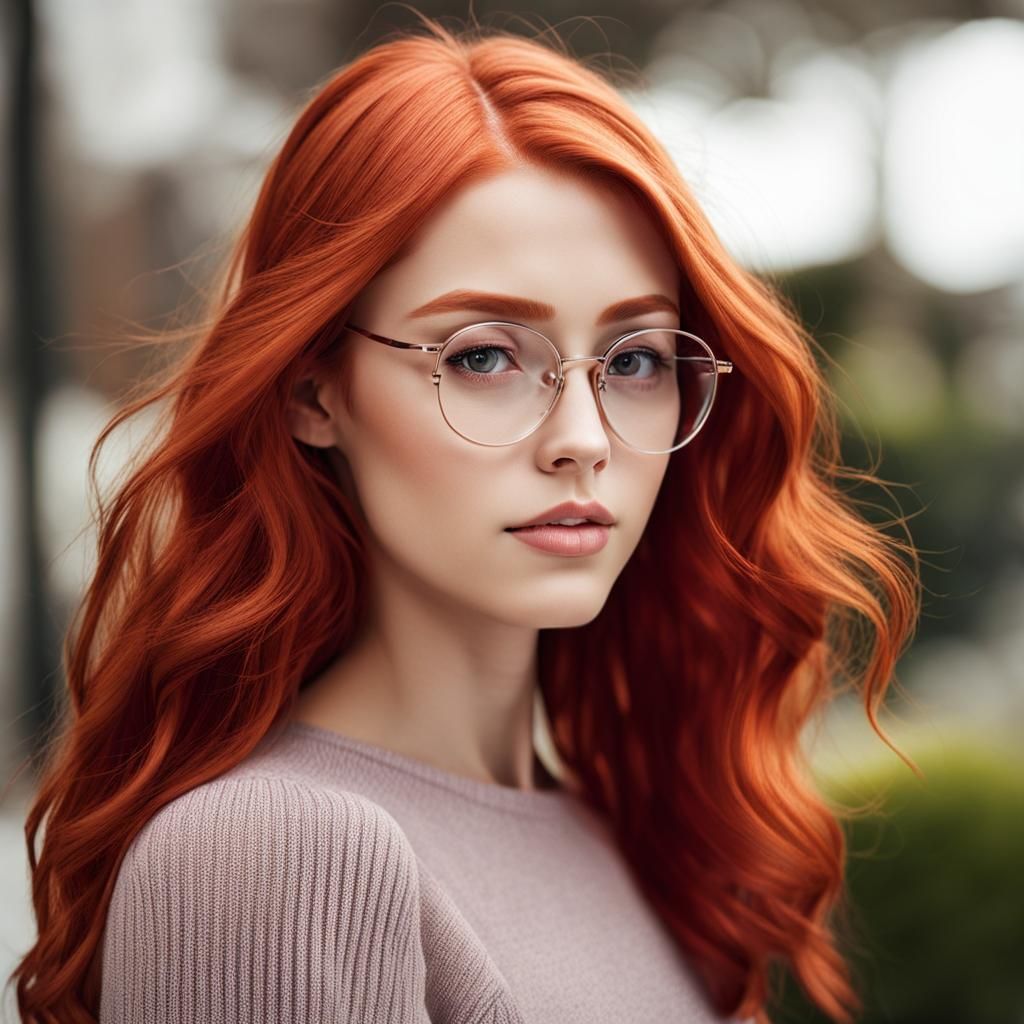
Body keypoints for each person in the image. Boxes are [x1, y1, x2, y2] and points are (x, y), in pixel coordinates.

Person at [9, 12, 922, 1024]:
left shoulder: (610, 832)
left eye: (633, 360)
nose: (581, 436)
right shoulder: (272, 852)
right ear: (313, 391)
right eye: (483, 355)